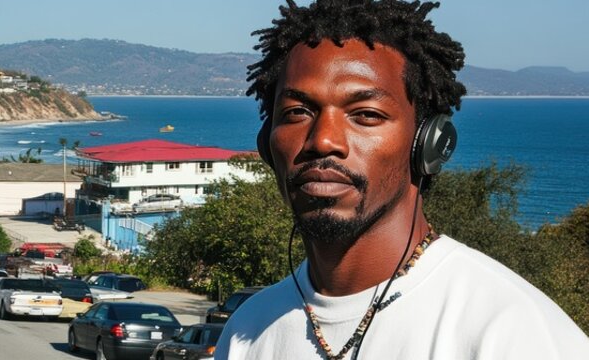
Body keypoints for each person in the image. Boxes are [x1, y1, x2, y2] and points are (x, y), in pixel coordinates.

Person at [215, 1, 589, 359]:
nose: (323, 140)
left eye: (366, 114)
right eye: (296, 112)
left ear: (427, 144)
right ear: (267, 143)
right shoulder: (248, 330)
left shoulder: (510, 331)